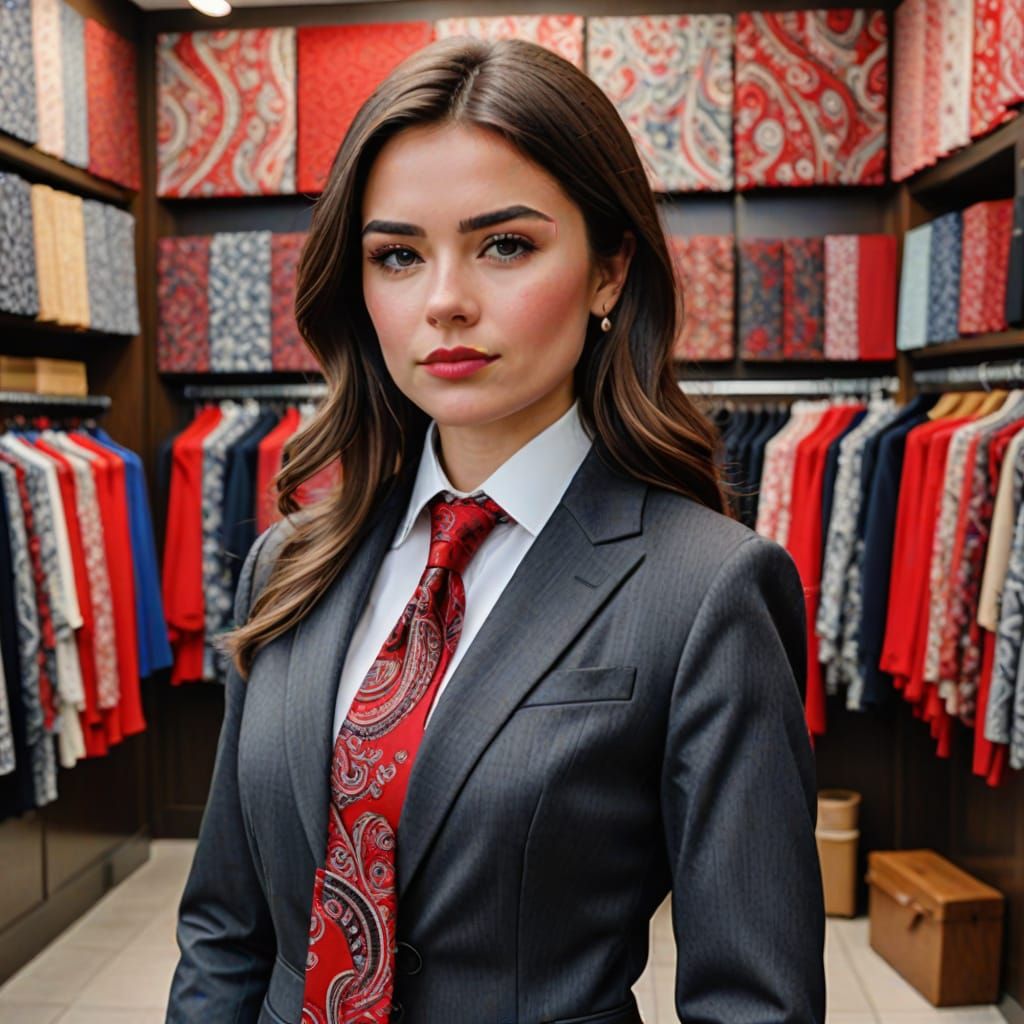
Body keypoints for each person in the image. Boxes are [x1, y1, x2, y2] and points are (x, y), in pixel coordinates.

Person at [167, 36, 825, 1024]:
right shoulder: (287, 565)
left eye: (504, 245)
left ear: (608, 272)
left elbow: (755, 1003)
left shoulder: (706, 591)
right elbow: (227, 927)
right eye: (397, 255)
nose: (444, 301)